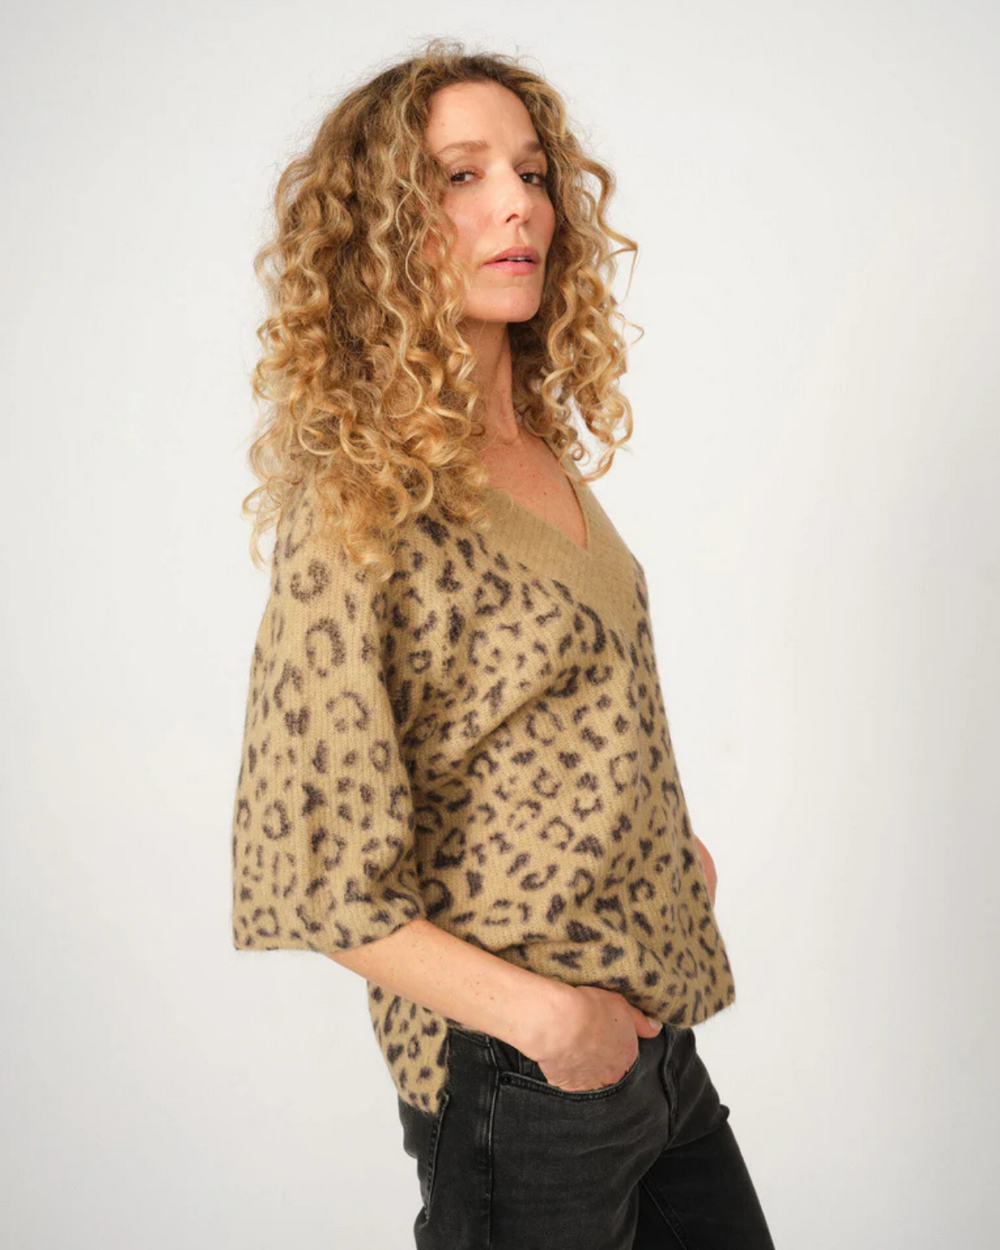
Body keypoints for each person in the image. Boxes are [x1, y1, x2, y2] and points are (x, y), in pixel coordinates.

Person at [231, 37, 776, 1250]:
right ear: (378, 229)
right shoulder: (362, 505)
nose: (516, 204)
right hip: (520, 1077)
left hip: (654, 1043)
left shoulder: (538, 459)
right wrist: (543, 1019)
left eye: (530, 172)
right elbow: (312, 875)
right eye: (460, 176)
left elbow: (533, 723)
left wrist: (658, 851)